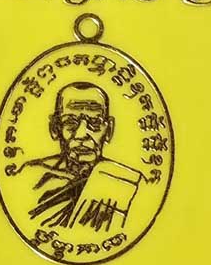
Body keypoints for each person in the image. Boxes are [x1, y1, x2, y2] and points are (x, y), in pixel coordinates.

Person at [18, 81, 142, 233]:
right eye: (70, 122)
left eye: (94, 123)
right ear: (55, 128)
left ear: (109, 129)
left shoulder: (126, 181)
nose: (81, 134)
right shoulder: (32, 176)